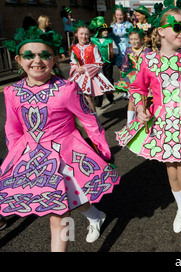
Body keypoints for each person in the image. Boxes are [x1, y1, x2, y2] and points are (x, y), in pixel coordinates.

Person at [1, 27, 120, 251]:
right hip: (31, 158)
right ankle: (96, 216)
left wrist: (102, 150)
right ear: (18, 60)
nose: (37, 60)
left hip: (65, 155)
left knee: (59, 214)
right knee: (72, 197)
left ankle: (89, 222)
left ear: (54, 59)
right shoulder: (12, 92)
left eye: (44, 55)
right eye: (29, 55)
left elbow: (89, 120)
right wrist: (15, 156)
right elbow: (12, 127)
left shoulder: (66, 88)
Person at [116, 0, 181, 244]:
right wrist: (139, 108)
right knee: (172, 175)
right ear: (160, 31)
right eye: (177, 27)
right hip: (161, 125)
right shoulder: (147, 60)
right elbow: (137, 88)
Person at [68, 21, 115, 112]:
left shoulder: (93, 47)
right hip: (78, 75)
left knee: (87, 97)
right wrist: (76, 67)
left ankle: (94, 119)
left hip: (90, 75)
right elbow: (73, 61)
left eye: (86, 34)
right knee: (78, 98)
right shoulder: (74, 48)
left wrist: (86, 68)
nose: (84, 36)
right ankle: (85, 119)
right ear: (76, 34)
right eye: (81, 34)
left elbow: (99, 62)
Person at [114, 26, 152, 123]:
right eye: (131, 39)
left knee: (145, 99)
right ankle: (129, 122)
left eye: (136, 39)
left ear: (141, 40)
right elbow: (125, 64)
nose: (134, 42)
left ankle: (143, 118)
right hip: (132, 76)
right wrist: (123, 76)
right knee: (132, 98)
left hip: (144, 76)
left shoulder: (147, 50)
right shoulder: (129, 50)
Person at [90, 16, 116, 108]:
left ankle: (110, 96)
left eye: (107, 30)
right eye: (103, 30)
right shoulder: (94, 40)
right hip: (97, 64)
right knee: (98, 81)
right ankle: (98, 100)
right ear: (99, 31)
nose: (105, 32)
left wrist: (113, 52)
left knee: (108, 80)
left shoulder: (110, 40)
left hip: (108, 62)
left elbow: (115, 51)